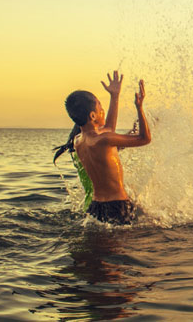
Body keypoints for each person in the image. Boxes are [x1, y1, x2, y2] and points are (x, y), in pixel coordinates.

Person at [53, 71, 151, 225]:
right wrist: (139, 107)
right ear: (93, 116)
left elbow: (109, 128)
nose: (103, 110)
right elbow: (144, 139)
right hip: (118, 206)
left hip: (96, 207)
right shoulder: (103, 140)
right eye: (100, 106)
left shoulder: (78, 141)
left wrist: (115, 96)